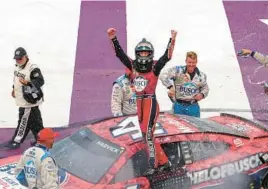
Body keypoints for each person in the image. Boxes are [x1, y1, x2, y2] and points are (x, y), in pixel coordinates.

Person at [107, 27, 177, 174]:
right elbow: (119, 54)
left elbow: (167, 56)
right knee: (145, 134)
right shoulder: (131, 65)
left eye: (146, 53)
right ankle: (164, 162)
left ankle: (153, 165)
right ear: (137, 54)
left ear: (150, 54)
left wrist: (172, 39)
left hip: (150, 101)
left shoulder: (155, 66)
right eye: (141, 53)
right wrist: (113, 38)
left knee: (147, 133)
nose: (144, 55)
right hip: (138, 101)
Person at [6, 47, 45, 149]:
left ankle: (16, 141)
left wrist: (28, 83)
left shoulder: (33, 68)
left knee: (23, 120)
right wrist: (14, 89)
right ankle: (42, 141)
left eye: (20, 58)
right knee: (35, 123)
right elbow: (16, 78)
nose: (18, 60)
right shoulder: (18, 66)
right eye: (16, 59)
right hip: (24, 99)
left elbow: (40, 81)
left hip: (29, 101)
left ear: (26, 57)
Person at [160, 51, 209, 117]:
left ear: (196, 62)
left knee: (194, 127)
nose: (191, 65)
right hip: (179, 106)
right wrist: (170, 87)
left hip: (193, 107)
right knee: (177, 126)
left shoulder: (201, 75)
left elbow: (205, 88)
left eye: (193, 62)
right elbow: (163, 75)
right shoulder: (178, 71)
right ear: (186, 61)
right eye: (189, 62)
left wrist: (202, 94)